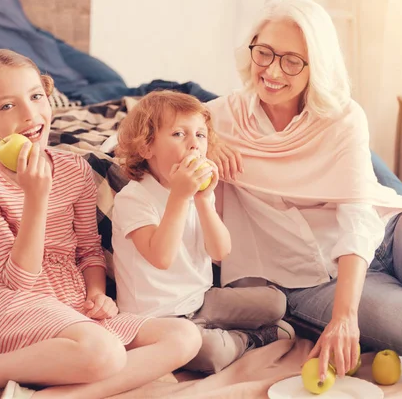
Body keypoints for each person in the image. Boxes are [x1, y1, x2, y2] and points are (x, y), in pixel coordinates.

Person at [0, 49, 201, 399]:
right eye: (8, 106)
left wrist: (97, 293)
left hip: (70, 299)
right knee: (104, 353)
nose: (29, 114)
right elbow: (19, 277)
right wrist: (35, 197)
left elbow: (88, 249)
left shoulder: (75, 168)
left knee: (185, 337)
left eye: (36, 96)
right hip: (12, 301)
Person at [206, 0, 402, 383]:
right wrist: (201, 141)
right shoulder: (217, 119)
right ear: (252, 48)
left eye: (292, 60)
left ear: (316, 65)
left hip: (388, 231)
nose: (272, 70)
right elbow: (131, 139)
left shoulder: (343, 117)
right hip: (309, 281)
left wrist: (346, 317)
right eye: (265, 53)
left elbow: (358, 213)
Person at [112, 90, 294, 375]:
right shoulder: (133, 199)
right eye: (179, 134)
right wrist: (180, 198)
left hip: (201, 299)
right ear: (147, 148)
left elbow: (220, 251)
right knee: (212, 353)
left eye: (200, 135)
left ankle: (226, 328)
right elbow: (161, 257)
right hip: (158, 318)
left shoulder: (198, 192)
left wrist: (202, 200)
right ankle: (252, 338)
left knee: (276, 301)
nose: (194, 145)